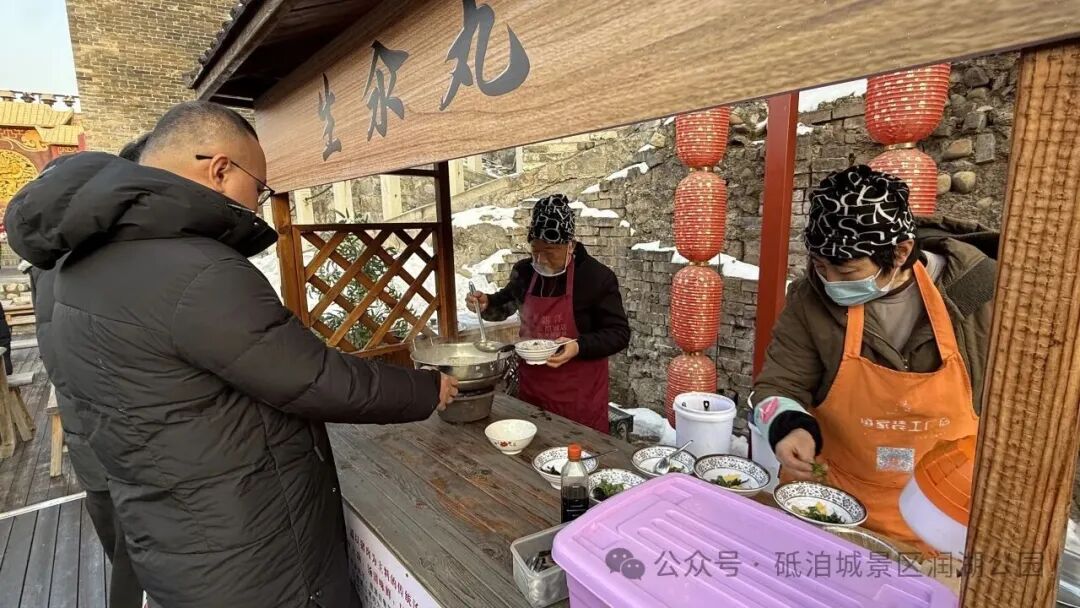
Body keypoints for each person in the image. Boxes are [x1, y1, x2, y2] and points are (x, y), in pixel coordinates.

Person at [4, 101, 458, 608]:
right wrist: (425, 387)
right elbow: (313, 377)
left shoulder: (75, 266)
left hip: (174, 534)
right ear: (220, 169)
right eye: (258, 188)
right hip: (249, 552)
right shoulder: (195, 269)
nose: (258, 206)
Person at [752, 165, 996, 550]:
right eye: (821, 267)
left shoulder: (981, 293)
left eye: (846, 270)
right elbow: (779, 383)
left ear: (900, 252)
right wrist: (787, 425)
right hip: (828, 501)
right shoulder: (810, 299)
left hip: (941, 511)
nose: (830, 282)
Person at [23, 133, 151, 608]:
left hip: (92, 445)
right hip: (132, 449)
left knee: (130, 564)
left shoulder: (49, 257)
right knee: (148, 564)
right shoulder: (107, 256)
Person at [467, 194, 629, 433]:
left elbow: (619, 333)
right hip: (533, 393)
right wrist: (486, 304)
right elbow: (505, 304)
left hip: (579, 398)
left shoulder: (596, 278)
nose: (541, 259)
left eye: (550, 251)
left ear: (570, 245)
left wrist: (579, 346)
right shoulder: (525, 272)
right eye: (536, 249)